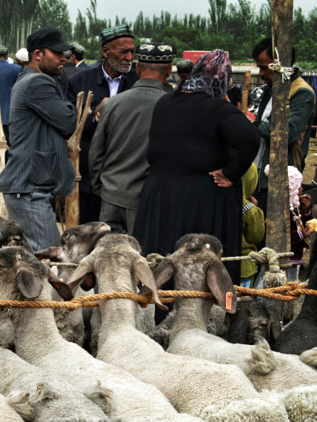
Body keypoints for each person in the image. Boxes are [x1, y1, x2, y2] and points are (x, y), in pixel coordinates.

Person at [133, 49, 259, 278]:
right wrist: (231, 174)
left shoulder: (165, 102)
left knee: (162, 255)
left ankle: (158, 308)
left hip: (160, 193)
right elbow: (250, 139)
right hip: (202, 200)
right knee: (197, 267)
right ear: (222, 80)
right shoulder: (219, 110)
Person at [0, 28, 76, 251]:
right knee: (48, 255)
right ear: (38, 54)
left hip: (30, 185)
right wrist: (71, 104)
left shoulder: (31, 79)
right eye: (57, 53)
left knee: (35, 257)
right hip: (29, 188)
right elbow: (68, 123)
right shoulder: (37, 83)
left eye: (64, 53)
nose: (63, 58)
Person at [88, 43, 175, 234]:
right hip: (147, 201)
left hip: (111, 195)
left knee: (111, 258)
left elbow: (96, 153)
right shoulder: (173, 107)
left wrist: (100, 189)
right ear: (169, 71)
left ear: (137, 68)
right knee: (143, 259)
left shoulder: (112, 104)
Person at [68, 23, 139, 223]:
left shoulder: (138, 82)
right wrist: (91, 115)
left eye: (132, 52)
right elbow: (68, 125)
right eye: (123, 52)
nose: (129, 58)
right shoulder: (79, 82)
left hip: (127, 177)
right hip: (89, 177)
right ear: (106, 52)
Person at [250, 38, 316, 207]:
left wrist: (253, 124)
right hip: (257, 173)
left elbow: (287, 133)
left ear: (280, 65)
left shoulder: (301, 93)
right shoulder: (269, 89)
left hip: (279, 179)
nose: (261, 74)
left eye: (264, 68)